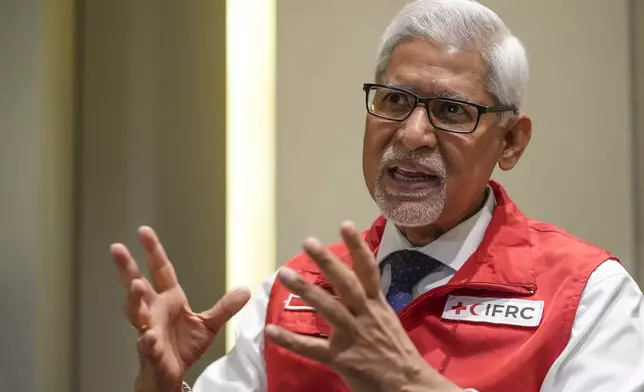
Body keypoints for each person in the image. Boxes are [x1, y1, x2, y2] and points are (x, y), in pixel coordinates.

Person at [111, 1, 644, 391]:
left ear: (510, 141)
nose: (412, 134)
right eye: (393, 99)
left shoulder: (588, 298)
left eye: (452, 111)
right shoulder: (296, 294)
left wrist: (411, 383)